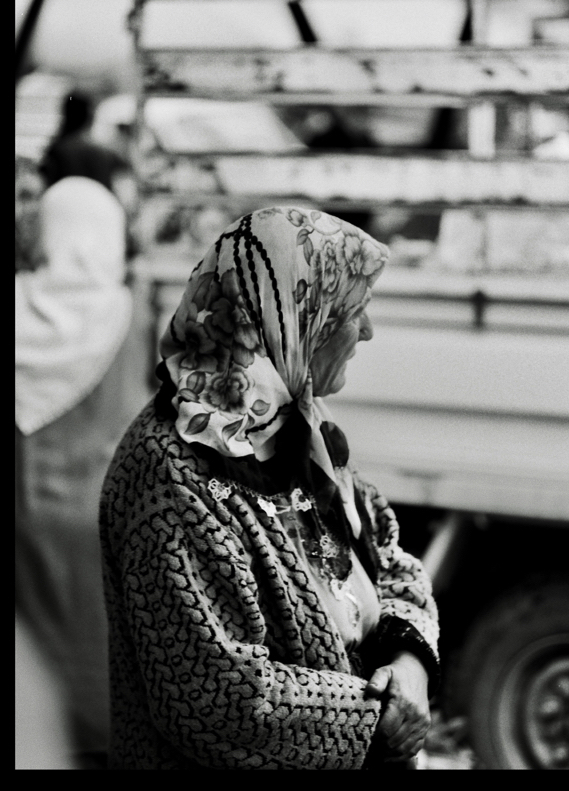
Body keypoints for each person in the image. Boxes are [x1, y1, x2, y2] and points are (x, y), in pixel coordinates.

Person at [99, 206, 440, 770]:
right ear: (293, 319)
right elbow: (220, 701)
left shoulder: (299, 431)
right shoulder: (169, 475)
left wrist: (409, 663)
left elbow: (390, 560)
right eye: (352, 311)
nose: (367, 331)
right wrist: (378, 718)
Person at [15, 176, 146, 766]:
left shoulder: (19, 304)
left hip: (24, 516)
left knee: (36, 654)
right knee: (99, 649)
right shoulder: (126, 310)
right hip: (103, 519)